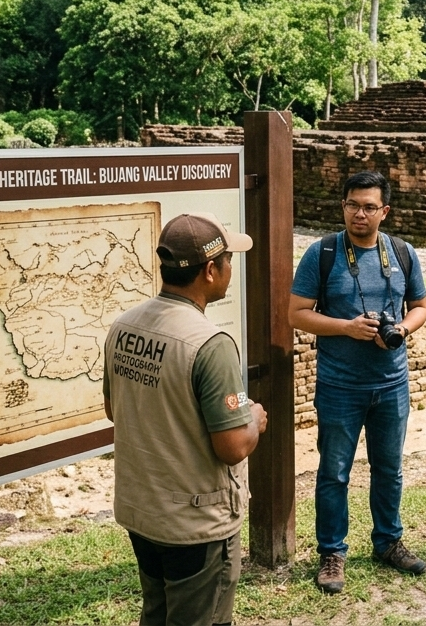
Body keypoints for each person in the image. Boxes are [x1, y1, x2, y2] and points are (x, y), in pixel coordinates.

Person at [104, 212, 268, 626]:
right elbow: (232, 448)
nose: (232, 269)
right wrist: (254, 420)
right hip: (195, 522)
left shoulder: (124, 326)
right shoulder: (211, 345)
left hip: (143, 511)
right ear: (211, 271)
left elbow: (114, 408)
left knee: (157, 613)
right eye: (229, 260)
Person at [289, 171, 426, 595]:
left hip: (392, 383)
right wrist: (345, 328)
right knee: (334, 473)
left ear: (384, 211)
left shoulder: (402, 252)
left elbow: (420, 305)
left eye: (369, 207)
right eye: (353, 205)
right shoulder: (324, 253)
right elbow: (296, 312)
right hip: (340, 385)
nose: (360, 214)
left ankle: (388, 542)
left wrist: (403, 329)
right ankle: (332, 553)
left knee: (390, 469)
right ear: (343, 207)